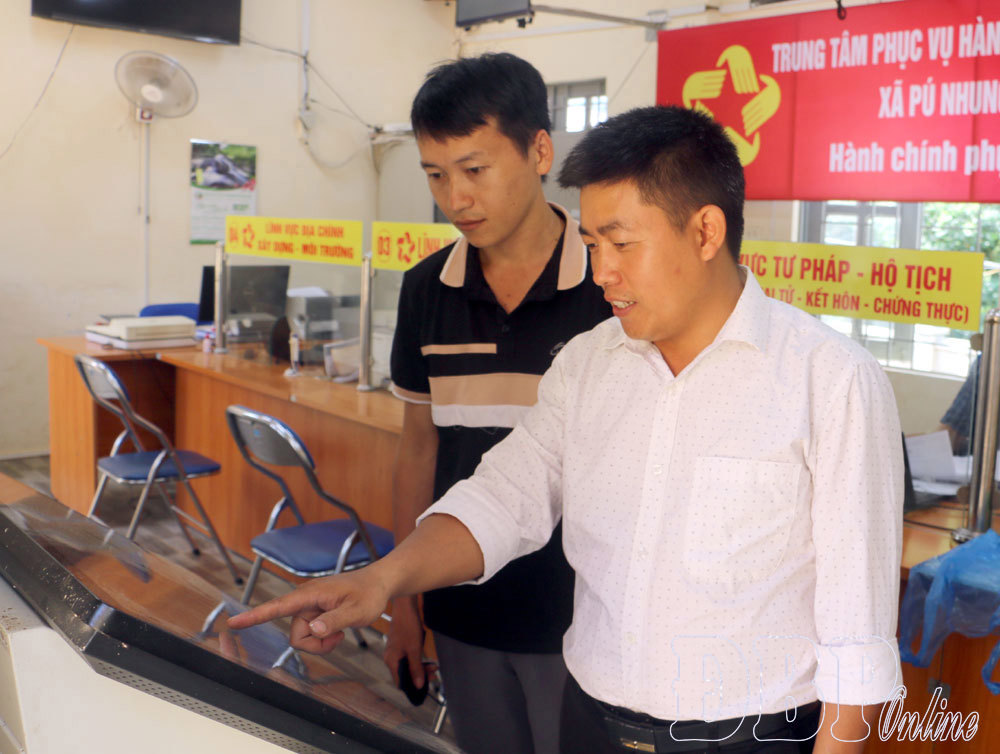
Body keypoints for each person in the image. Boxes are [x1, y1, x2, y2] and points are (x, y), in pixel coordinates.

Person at [230, 105, 904, 753]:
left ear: (705, 232)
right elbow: (504, 498)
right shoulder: (588, 364)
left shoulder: (830, 380)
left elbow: (857, 635)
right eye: (591, 243)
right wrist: (383, 579)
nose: (603, 272)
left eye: (622, 243)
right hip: (592, 724)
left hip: (746, 737)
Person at [384, 53, 610, 754]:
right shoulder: (426, 290)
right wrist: (403, 602)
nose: (456, 198)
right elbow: (418, 450)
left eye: (474, 169)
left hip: (583, 617)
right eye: (435, 175)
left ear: (540, 151)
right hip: (463, 609)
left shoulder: (610, 284)